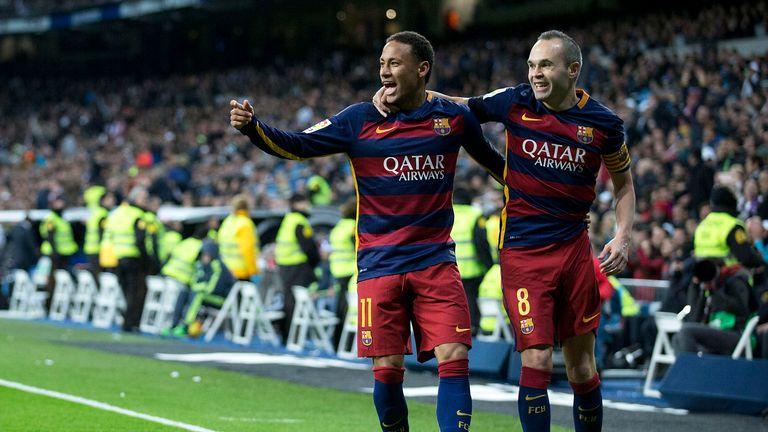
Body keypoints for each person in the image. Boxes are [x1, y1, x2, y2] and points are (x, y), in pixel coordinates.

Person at [230, 30, 504, 432]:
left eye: (394, 63)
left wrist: (556, 205)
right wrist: (254, 128)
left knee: (455, 355)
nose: (384, 72)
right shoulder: (358, 119)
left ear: (421, 69)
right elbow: (298, 145)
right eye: (381, 64)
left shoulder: (453, 118)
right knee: (389, 368)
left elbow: (501, 168)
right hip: (379, 265)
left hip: (435, 261)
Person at [376, 30, 635, 431]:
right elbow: (462, 107)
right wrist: (402, 98)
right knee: (536, 358)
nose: (535, 74)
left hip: (574, 250)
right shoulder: (515, 101)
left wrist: (623, 234)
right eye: (531, 65)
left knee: (582, 365)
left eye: (545, 65)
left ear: (573, 70)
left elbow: (624, 184)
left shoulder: (603, 124)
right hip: (523, 252)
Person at [672, 259, 755, 355]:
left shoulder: (735, 281)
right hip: (714, 330)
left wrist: (716, 291)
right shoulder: (707, 287)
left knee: (686, 331)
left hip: (736, 332)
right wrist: (695, 286)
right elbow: (694, 318)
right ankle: (689, 368)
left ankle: (691, 369)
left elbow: (741, 308)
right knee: (677, 338)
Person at [273, 192, 321, 343]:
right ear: (297, 204)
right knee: (297, 302)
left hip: (284, 266)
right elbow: (309, 248)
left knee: (288, 301)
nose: (307, 206)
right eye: (304, 202)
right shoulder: (299, 221)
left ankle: (286, 335)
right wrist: (315, 264)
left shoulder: (288, 219)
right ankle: (294, 336)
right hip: (297, 266)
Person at [102, 188, 151, 332]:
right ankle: (130, 323)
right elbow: (140, 240)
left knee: (126, 291)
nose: (146, 201)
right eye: (144, 198)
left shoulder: (116, 213)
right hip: (133, 257)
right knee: (134, 292)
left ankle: (127, 320)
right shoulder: (138, 215)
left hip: (117, 257)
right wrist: (147, 260)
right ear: (136, 199)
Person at [168, 238, 236, 338]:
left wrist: (196, 288)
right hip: (207, 296)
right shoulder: (201, 266)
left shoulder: (218, 266)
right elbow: (196, 281)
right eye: (203, 254)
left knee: (197, 295)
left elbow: (213, 288)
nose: (204, 257)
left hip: (222, 300)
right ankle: (174, 324)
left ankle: (186, 326)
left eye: (206, 254)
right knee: (184, 292)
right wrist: (194, 288)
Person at [451, 185, 493, 336]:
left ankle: (456, 330)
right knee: (471, 300)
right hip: (472, 268)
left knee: (455, 302)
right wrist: (490, 266)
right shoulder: (475, 214)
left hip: (451, 267)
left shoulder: (448, 213)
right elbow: (482, 243)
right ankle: (473, 329)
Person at [40, 194, 78, 311]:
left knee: (61, 281)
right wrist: (55, 251)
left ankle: (59, 306)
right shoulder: (51, 218)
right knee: (52, 281)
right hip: (54, 255)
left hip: (64, 254)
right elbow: (50, 236)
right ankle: (49, 305)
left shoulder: (62, 219)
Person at [329, 197, 357, 346]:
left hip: (337, 270)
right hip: (350, 271)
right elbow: (357, 248)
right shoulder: (353, 226)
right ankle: (347, 342)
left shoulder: (339, 226)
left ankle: (337, 340)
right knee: (349, 308)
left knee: (340, 307)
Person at [217, 194, 260, 281]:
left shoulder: (228, 221)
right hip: (241, 272)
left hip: (226, 270)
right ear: (247, 208)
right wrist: (253, 271)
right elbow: (247, 250)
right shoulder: (245, 224)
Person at [82, 185, 112, 274]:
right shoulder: (103, 215)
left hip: (90, 248)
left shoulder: (95, 212)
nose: (112, 201)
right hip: (98, 249)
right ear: (103, 201)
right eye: (109, 199)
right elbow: (101, 233)